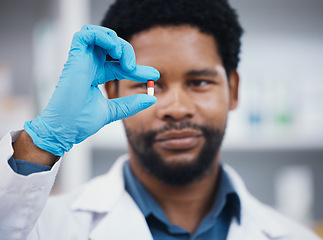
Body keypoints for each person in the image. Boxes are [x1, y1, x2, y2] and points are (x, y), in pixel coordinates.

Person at [0, 0, 321, 239]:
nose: (176, 108)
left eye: (199, 82)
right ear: (111, 91)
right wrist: (43, 140)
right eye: (149, 84)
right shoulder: (43, 228)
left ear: (233, 90)